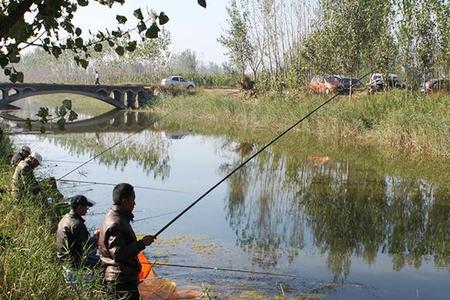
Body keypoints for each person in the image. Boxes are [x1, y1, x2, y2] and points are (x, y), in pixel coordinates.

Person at [98, 183, 156, 300]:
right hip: (121, 281)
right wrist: (142, 243)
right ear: (124, 201)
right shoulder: (116, 223)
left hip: (118, 278)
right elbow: (118, 254)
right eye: (133, 199)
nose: (134, 203)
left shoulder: (112, 215)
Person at [56, 195, 99, 269]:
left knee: (95, 252)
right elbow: (87, 247)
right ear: (79, 207)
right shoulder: (77, 224)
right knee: (103, 261)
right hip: (73, 261)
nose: (87, 210)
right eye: (86, 207)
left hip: (62, 257)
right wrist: (96, 236)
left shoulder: (66, 217)